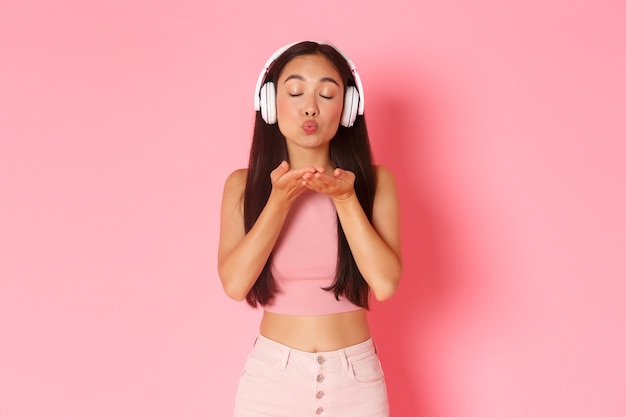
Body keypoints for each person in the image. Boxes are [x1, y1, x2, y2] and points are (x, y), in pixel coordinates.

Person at [218, 40, 402, 417]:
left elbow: (384, 284)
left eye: (328, 94)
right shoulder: (243, 186)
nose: (310, 106)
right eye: (296, 91)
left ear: (348, 108)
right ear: (270, 103)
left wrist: (347, 200)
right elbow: (235, 284)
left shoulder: (374, 183)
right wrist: (279, 201)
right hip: (271, 382)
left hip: (356, 382)